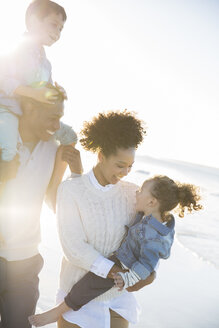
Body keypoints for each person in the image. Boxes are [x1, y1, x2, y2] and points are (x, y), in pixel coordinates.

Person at [31, 110, 156, 328]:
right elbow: (74, 248)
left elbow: (144, 237)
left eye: (130, 166)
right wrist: (116, 272)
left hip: (116, 299)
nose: (126, 171)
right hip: (75, 302)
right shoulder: (72, 190)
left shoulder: (132, 193)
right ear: (100, 156)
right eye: (120, 165)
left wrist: (149, 271)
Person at [29, 174, 202, 327]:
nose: (136, 192)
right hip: (121, 258)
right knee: (89, 284)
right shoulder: (150, 217)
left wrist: (128, 278)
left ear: (152, 202)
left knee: (88, 285)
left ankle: (56, 312)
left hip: (124, 266)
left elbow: (148, 264)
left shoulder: (153, 236)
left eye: (141, 191)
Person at [0, 84, 82, 328]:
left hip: (25, 262)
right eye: (52, 117)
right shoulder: (3, 137)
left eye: (60, 118)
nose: (58, 126)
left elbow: (54, 201)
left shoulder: (54, 150)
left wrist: (76, 173)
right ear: (29, 108)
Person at [0, 0, 77, 182]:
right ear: (33, 21)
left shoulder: (46, 63)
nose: (57, 32)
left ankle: (52, 186)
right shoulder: (16, 49)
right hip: (8, 109)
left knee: (70, 136)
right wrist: (32, 93)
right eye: (53, 25)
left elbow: (45, 88)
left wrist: (57, 93)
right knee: (9, 151)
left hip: (33, 115)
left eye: (60, 29)